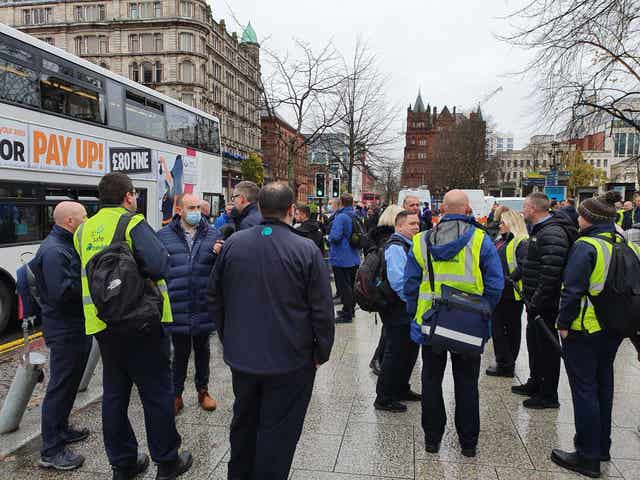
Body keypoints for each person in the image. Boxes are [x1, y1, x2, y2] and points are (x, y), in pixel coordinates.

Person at [208, 182, 334, 480]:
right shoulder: (307, 250)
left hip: (244, 357)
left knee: (244, 423)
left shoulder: (234, 244)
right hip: (291, 360)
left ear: (259, 207)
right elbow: (322, 310)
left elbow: (214, 296)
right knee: (279, 433)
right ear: (292, 211)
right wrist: (320, 351)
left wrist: (229, 338)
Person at [75, 172, 191, 480]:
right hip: (142, 323)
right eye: (134, 195)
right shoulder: (132, 223)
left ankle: (123, 464)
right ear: (128, 196)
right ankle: (167, 462)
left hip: (102, 324)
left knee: (114, 395)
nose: (135, 200)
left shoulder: (83, 230)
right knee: (156, 393)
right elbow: (159, 265)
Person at [404, 189, 503, 457]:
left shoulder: (421, 241)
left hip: (431, 323)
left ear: (442, 210)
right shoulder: (481, 240)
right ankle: (468, 442)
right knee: (467, 383)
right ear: (468, 210)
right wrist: (482, 312)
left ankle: (432, 439)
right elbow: (495, 284)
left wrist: (416, 313)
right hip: (468, 325)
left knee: (432, 380)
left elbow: (410, 285)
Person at [551, 192, 634, 478]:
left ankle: (586, 455)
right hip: (614, 328)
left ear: (588, 217)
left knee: (584, 390)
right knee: (604, 386)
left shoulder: (586, 246)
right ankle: (602, 446)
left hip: (585, 327)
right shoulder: (626, 245)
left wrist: (563, 322)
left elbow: (572, 290)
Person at [31, 201, 91, 471]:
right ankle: (51, 450)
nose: (87, 220)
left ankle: (62, 429)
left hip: (73, 326)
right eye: (84, 216)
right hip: (66, 329)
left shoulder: (65, 244)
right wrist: (92, 284)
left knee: (68, 385)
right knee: (60, 387)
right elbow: (62, 293)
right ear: (70, 221)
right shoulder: (56, 250)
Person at [157, 193, 222, 415]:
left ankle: (203, 391)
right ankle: (176, 394)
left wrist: (220, 255)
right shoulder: (163, 236)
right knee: (180, 353)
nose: (196, 211)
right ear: (179, 210)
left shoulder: (213, 234)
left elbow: (221, 270)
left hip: (203, 304)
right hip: (177, 303)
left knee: (203, 350)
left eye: (197, 207)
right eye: (190, 207)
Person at [513, 192, 578, 409]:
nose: (522, 211)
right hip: (535, 300)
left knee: (547, 349)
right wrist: (516, 276)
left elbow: (551, 272)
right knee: (534, 343)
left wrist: (538, 300)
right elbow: (535, 262)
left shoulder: (552, 232)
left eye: (524, 207)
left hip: (546, 303)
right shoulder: (540, 230)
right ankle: (535, 382)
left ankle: (548, 394)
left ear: (533, 209)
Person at [374, 210, 421, 412]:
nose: (416, 227)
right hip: (398, 308)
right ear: (399, 226)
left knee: (409, 351)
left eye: (418, 223)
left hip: (405, 307)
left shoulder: (408, 245)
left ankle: (401, 388)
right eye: (412, 224)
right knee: (395, 352)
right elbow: (398, 281)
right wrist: (412, 303)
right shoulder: (395, 247)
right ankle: (384, 397)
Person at [486, 209, 528, 378]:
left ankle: (507, 364)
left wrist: (510, 278)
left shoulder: (521, 241)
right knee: (497, 329)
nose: (500, 225)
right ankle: (503, 360)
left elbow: (525, 264)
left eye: (503, 222)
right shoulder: (500, 240)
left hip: (512, 293)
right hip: (500, 291)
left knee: (510, 330)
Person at [367, 205, 403, 376]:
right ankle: (378, 360)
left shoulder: (377, 237)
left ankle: (378, 359)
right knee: (389, 331)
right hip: (389, 293)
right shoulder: (390, 241)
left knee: (387, 329)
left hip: (381, 292)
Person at [328, 193, 361, 323]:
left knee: (343, 288)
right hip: (354, 257)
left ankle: (347, 314)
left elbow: (335, 237)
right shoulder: (355, 214)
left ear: (341, 202)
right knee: (351, 286)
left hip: (341, 258)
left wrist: (329, 237)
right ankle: (350, 310)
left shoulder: (341, 217)